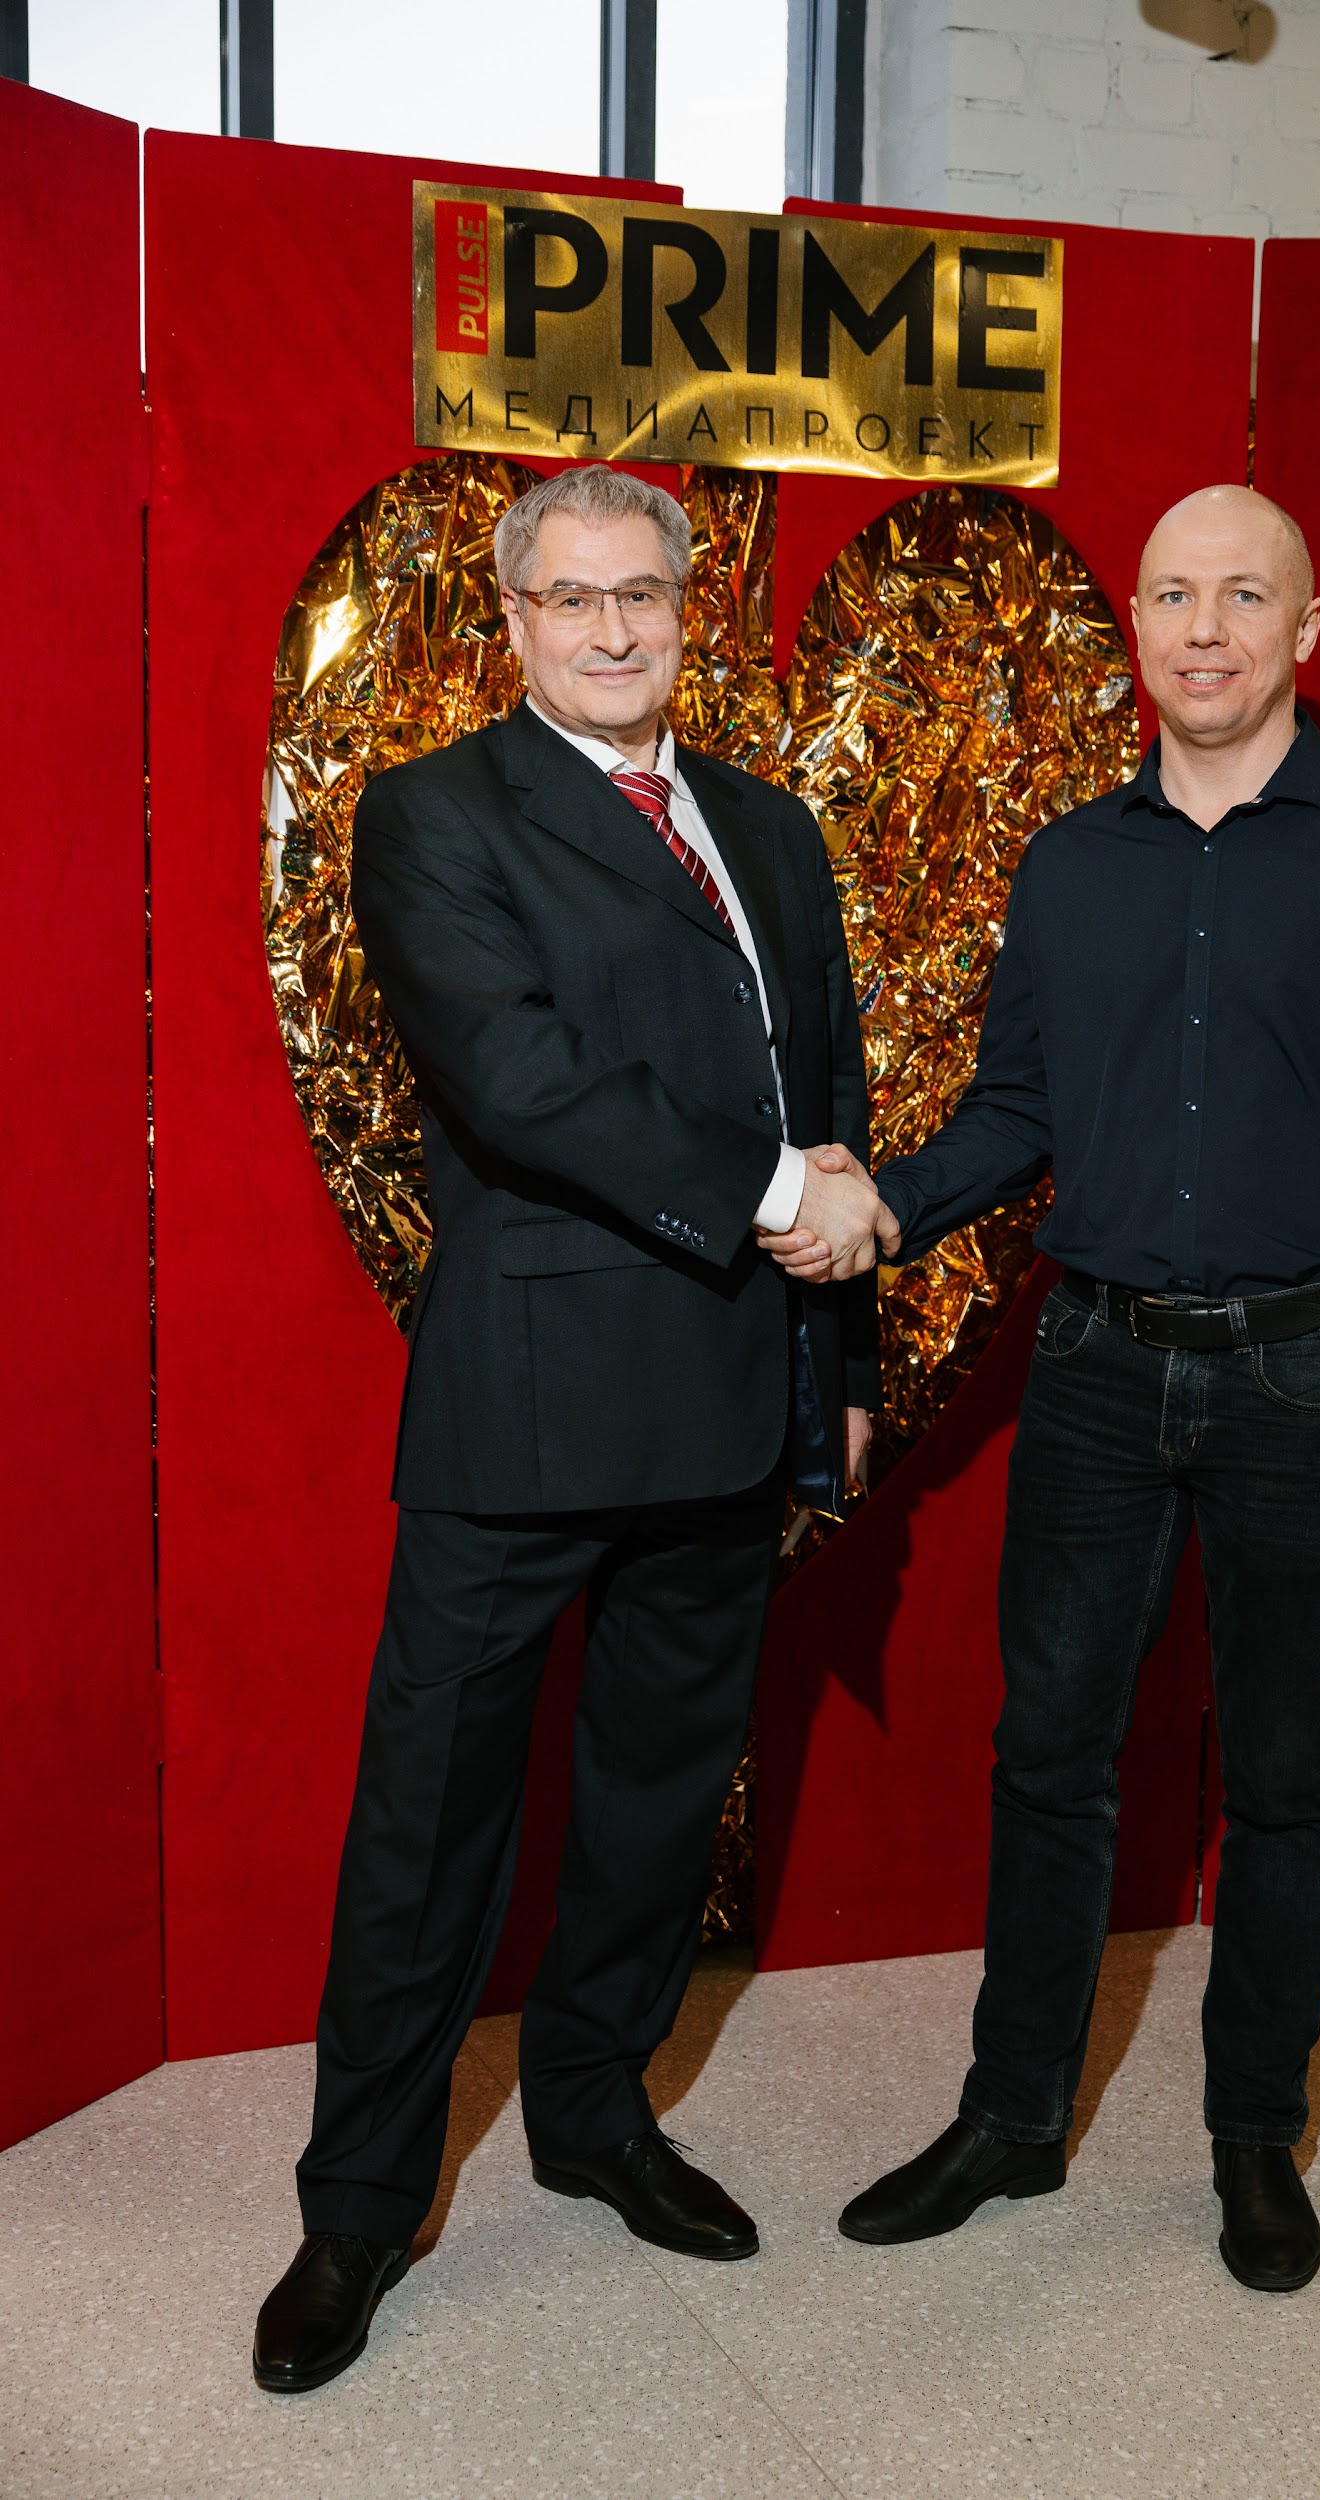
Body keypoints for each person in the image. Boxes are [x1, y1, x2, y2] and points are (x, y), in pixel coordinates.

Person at [764, 483, 1320, 2292]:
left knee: (1284, 1780)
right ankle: (1012, 2119)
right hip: (1094, 1369)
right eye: (1171, 594)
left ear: (1302, 630)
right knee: (1049, 1757)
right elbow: (1018, 1107)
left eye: (1242, 596)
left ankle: (1253, 2140)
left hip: (1308, 1380)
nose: (1202, 629)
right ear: (1138, 632)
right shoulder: (1069, 863)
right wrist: (884, 1206)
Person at [253, 464, 896, 2393]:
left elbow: (828, 1093)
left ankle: (595, 2114)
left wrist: (844, 1364)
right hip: (527, 1408)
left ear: (689, 611)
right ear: (515, 621)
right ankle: (358, 2212)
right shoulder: (433, 812)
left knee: (652, 1808)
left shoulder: (767, 826)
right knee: (429, 1826)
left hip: (733, 1395)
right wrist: (780, 1202)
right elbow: (521, 1081)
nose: (614, 630)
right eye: (574, 598)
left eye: (646, 595)